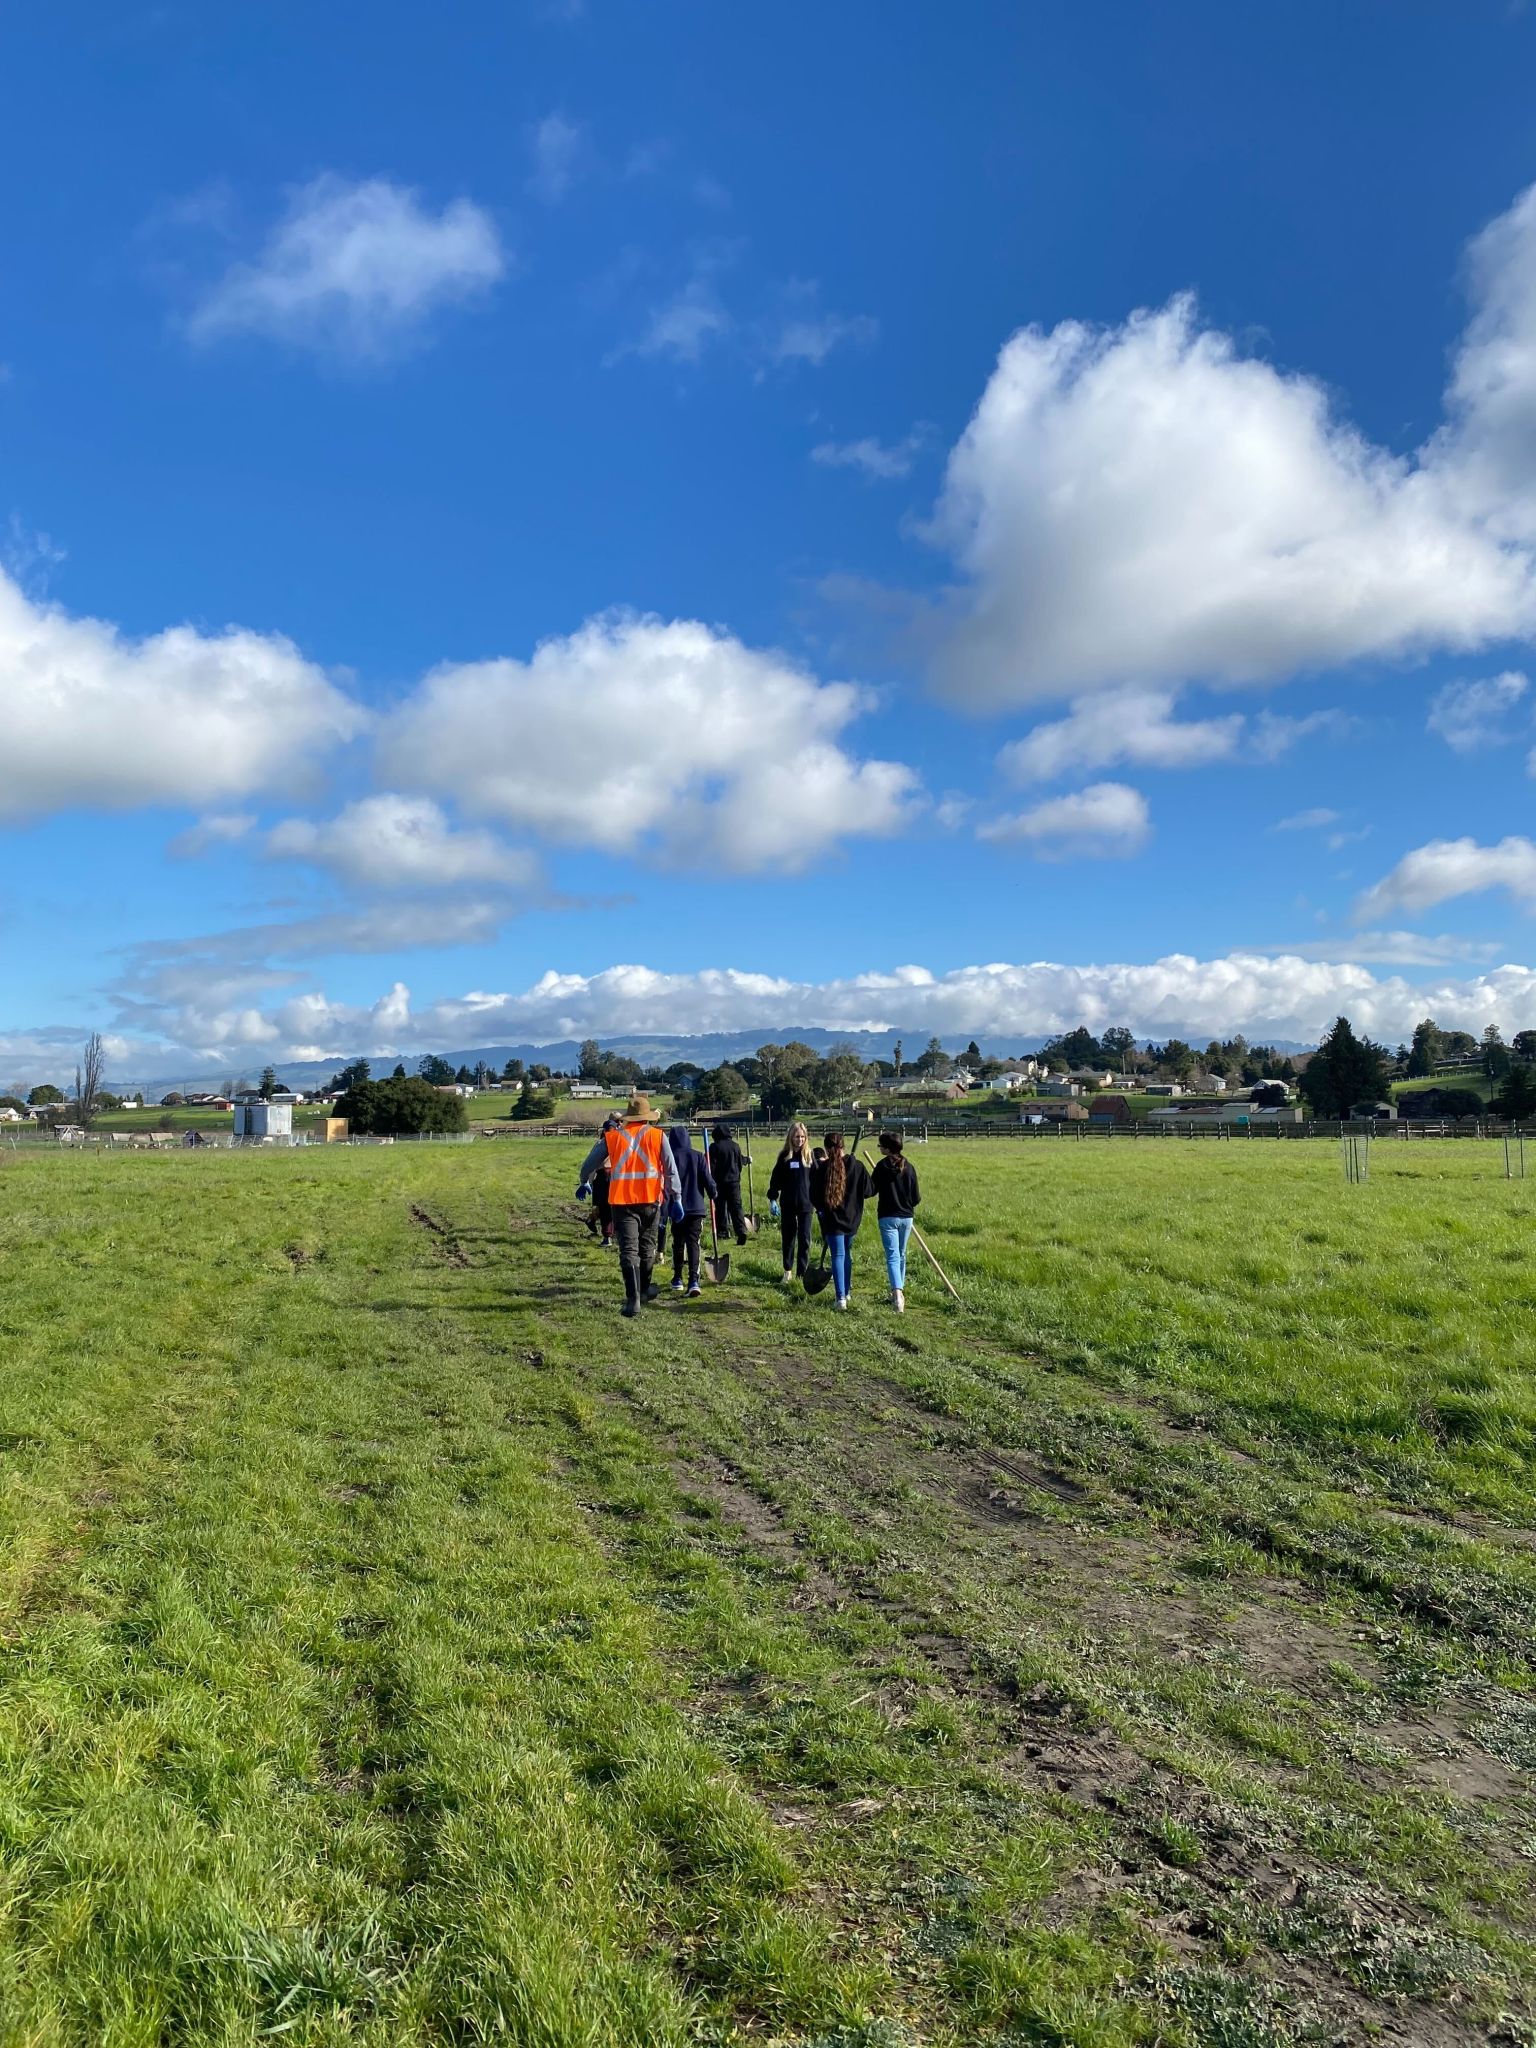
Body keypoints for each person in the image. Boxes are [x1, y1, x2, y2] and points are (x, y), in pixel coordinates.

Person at [577, 1094, 683, 1317]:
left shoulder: (613, 1138)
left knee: (628, 1249)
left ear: (628, 1117)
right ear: (647, 1118)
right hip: (650, 1201)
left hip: (622, 1202)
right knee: (647, 1246)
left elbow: (589, 1163)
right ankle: (644, 1290)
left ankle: (632, 1299)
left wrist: (584, 1181)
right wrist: (677, 1197)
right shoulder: (658, 1136)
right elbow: (671, 1169)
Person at [810, 1131, 872, 1312]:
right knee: (846, 1253)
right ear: (843, 1146)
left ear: (827, 1149)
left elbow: (813, 1195)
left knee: (837, 1255)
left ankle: (840, 1298)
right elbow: (869, 1191)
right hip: (852, 1220)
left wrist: (822, 1210)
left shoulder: (822, 1168)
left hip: (831, 1220)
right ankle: (847, 1291)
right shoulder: (857, 1166)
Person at [869, 1129, 921, 1313]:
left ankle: (897, 1294)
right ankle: (899, 1292)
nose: (879, 1148)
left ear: (888, 1148)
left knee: (893, 1256)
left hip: (887, 1217)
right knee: (901, 1254)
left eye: (880, 1145)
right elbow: (916, 1198)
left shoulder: (882, 1167)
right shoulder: (910, 1167)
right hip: (907, 1217)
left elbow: (870, 1191)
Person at [666, 1125, 717, 1296]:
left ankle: (677, 1278)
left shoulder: (670, 1157)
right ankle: (694, 1280)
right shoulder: (698, 1156)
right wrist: (713, 1193)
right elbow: (708, 1180)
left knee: (678, 1242)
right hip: (696, 1207)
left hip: (676, 1207)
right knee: (693, 1243)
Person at [766, 1121, 815, 1283]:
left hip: (807, 1205)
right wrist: (773, 1198)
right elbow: (776, 1180)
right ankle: (787, 1271)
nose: (799, 1140)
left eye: (802, 1137)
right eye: (796, 1136)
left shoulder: (810, 1156)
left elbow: (818, 1180)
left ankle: (802, 1273)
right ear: (790, 1137)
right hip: (787, 1204)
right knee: (788, 1238)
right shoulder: (784, 1157)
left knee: (805, 1239)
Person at [707, 1121, 751, 1245]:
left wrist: (712, 1180)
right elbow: (739, 1164)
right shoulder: (735, 1146)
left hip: (719, 1183)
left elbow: (712, 1166)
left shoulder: (714, 1147)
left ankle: (722, 1232)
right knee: (736, 1207)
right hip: (734, 1182)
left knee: (720, 1208)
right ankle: (741, 1230)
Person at [585, 1116, 618, 1245]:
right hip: (604, 1176)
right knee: (605, 1207)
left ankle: (607, 1231)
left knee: (611, 1207)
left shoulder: (618, 1143)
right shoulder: (600, 1144)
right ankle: (607, 1236)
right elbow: (592, 1164)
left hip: (614, 1176)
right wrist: (589, 1181)